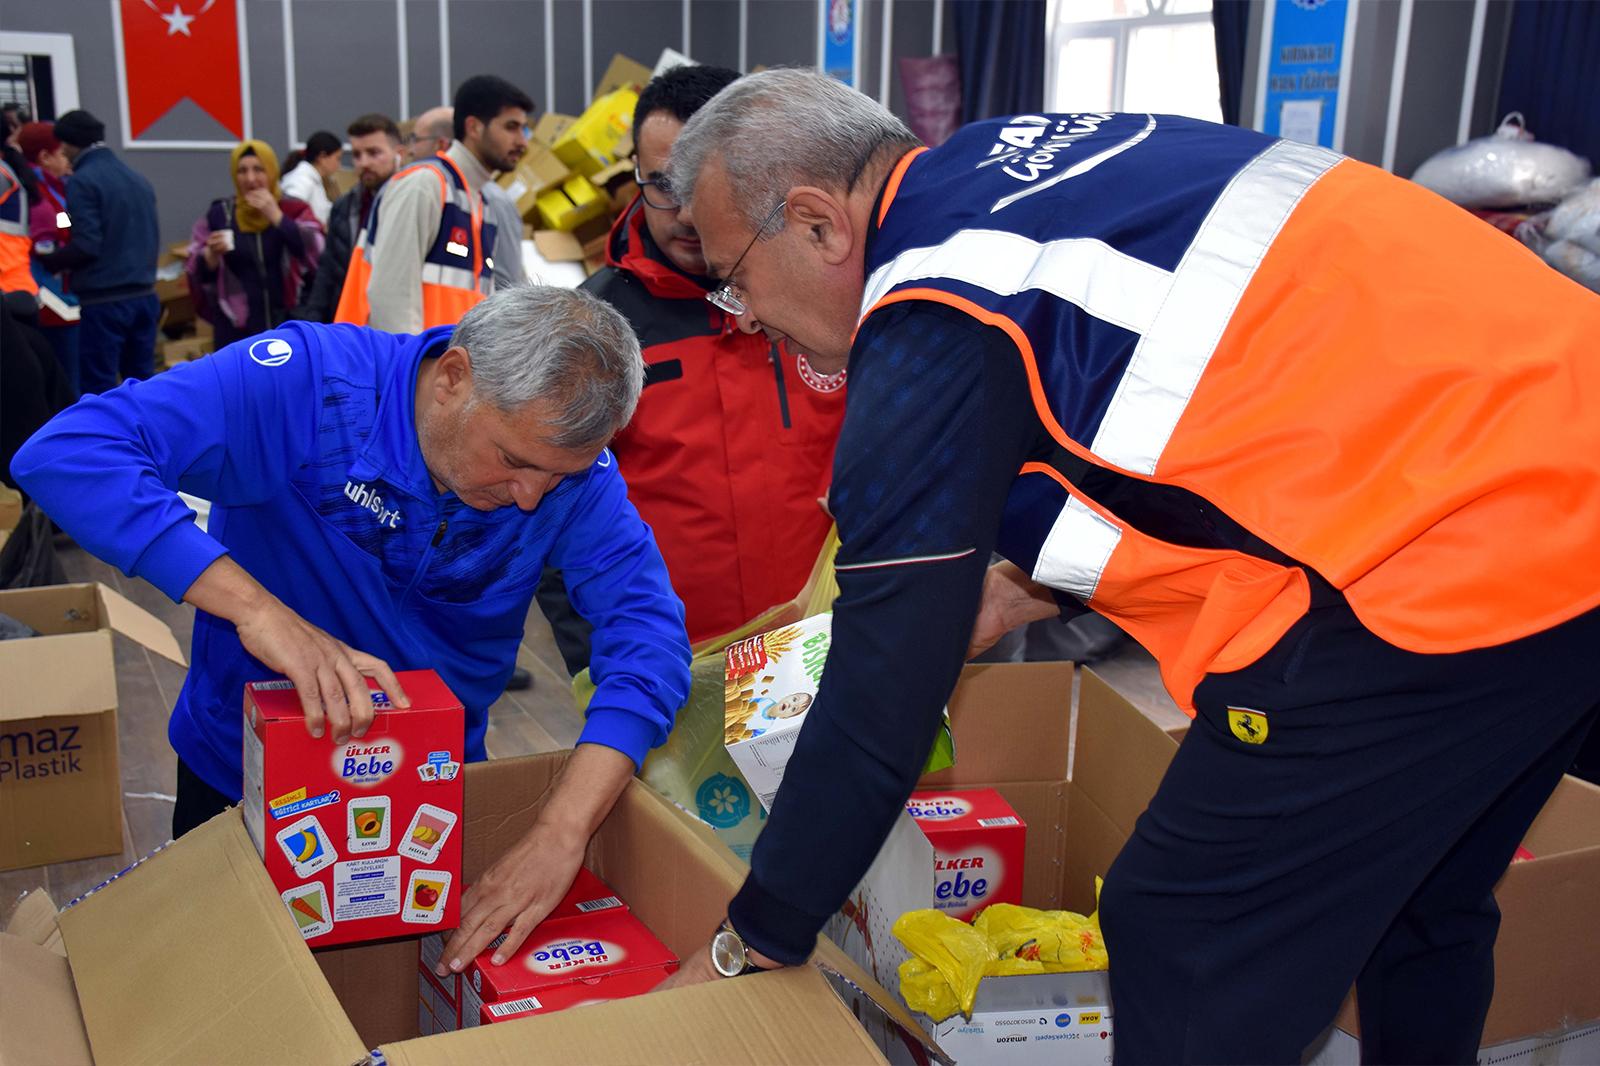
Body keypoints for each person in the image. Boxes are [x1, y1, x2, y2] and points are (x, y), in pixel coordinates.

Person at [657, 70, 1600, 1063]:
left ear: (814, 222)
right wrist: (1019, 587)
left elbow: (876, 704)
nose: (743, 313)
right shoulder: (1024, 160)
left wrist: (753, 937)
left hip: (1445, 556)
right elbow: (1224, 398)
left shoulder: (933, 310)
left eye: (733, 274)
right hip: (1562, 473)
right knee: (1419, 889)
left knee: (1183, 929)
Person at [11, 284, 693, 966]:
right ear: (453, 378)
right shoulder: (311, 384)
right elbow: (67, 452)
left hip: (430, 793)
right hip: (238, 777)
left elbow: (651, 640)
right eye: (513, 460)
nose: (528, 498)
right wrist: (258, 611)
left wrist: (560, 831)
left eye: (558, 476)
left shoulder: (576, 478)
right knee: (219, 984)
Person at [539, 63, 845, 672]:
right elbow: (550, 517)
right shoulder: (593, 328)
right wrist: (598, 665)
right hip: (669, 674)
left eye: (701, 183)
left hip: (833, 655)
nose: (683, 213)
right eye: (661, 183)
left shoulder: (835, 298)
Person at [336, 77, 531, 332]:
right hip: (404, 365)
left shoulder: (480, 200)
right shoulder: (423, 185)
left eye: (523, 129)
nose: (522, 142)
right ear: (473, 127)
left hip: (446, 364)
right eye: (511, 127)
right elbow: (391, 297)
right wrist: (418, 368)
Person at [32, 110, 160, 395]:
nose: (62, 154)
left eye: (63, 146)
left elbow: (88, 244)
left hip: (105, 301)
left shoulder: (83, 181)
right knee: (142, 388)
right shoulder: (138, 179)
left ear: (70, 143)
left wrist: (50, 261)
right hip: (144, 295)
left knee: (100, 391)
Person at [184, 140, 325, 347]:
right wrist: (211, 256)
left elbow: (318, 252)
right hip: (237, 329)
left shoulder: (293, 209)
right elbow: (195, 270)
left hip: (289, 324)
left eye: (259, 169)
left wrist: (277, 217)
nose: (250, 179)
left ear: (271, 171)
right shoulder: (221, 214)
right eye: (242, 171)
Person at [292, 114, 402, 323]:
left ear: (399, 154)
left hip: (396, 325)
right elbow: (327, 272)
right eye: (357, 155)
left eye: (373, 153)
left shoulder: (413, 202)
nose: (364, 162)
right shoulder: (344, 206)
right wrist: (312, 324)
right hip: (350, 325)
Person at [407, 104, 526, 292]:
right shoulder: (420, 189)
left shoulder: (492, 200)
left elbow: (508, 282)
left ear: (441, 144)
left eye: (416, 140)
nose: (410, 150)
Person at [15, 121, 79, 391]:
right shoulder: (39, 198)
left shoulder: (55, 190)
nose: (67, 160)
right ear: (44, 157)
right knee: (64, 382)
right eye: (62, 153)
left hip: (60, 298)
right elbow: (45, 248)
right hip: (53, 303)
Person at [279, 129, 340, 226]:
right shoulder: (301, 179)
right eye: (337, 158)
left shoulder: (314, 179)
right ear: (322, 157)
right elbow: (290, 210)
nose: (338, 164)